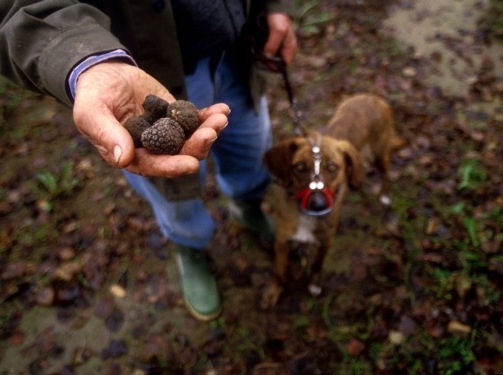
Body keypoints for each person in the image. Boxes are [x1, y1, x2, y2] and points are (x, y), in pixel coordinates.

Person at [0, 0, 297, 321]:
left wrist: (272, 4)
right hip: (144, 70)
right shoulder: (153, 114)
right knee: (174, 192)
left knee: (253, 155)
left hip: (239, 51)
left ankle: (247, 207)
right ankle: (190, 246)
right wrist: (86, 59)